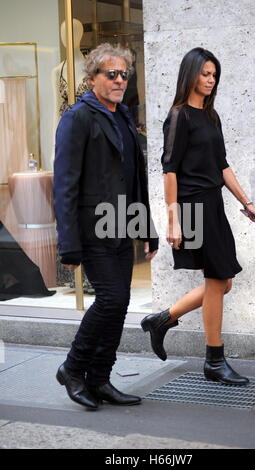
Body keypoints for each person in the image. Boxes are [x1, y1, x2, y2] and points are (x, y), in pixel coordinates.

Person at [141, 47, 255, 386]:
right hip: (192, 206)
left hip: (214, 205)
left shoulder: (211, 116)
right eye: (205, 74)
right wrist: (173, 218)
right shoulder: (179, 116)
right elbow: (169, 171)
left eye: (214, 75)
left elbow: (222, 165)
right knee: (216, 279)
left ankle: (163, 319)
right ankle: (214, 359)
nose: (211, 80)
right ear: (191, 74)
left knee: (223, 282)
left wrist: (246, 202)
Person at [54, 43, 158, 409]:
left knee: (120, 302)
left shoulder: (123, 116)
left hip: (122, 224)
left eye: (124, 74)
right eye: (110, 74)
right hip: (93, 226)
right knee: (111, 299)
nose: (119, 80)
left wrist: (147, 228)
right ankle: (73, 367)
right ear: (93, 77)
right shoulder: (77, 117)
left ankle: (99, 379)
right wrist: (68, 244)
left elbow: (135, 181)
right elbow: (64, 184)